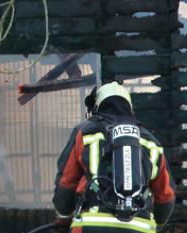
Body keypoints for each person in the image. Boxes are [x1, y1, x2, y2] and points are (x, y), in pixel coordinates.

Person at [52, 82, 176, 232]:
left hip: (92, 225)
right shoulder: (151, 142)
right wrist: (155, 223)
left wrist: (64, 216)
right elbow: (166, 197)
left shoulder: (86, 133)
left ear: (97, 107)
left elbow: (66, 183)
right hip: (139, 227)